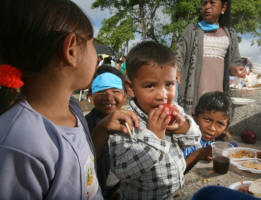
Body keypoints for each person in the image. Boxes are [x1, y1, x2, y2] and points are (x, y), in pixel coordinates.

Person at [0, 0, 138, 199]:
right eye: (92, 43)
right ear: (71, 50)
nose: (95, 53)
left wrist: (101, 129)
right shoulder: (20, 141)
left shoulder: (71, 108)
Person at [108, 41, 202, 199]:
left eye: (169, 84)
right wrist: (154, 137)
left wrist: (184, 127)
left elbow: (195, 140)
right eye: (151, 85)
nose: (162, 95)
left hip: (175, 193)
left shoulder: (176, 110)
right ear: (131, 88)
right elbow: (122, 170)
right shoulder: (126, 122)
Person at [176, 0, 246, 114]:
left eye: (212, 3)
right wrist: (176, 69)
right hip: (195, 91)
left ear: (223, 7)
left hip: (217, 88)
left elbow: (235, 60)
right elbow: (179, 54)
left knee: (213, 117)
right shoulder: (192, 30)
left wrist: (236, 69)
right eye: (204, 3)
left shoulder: (230, 33)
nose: (207, 7)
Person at [85, 66, 126, 199]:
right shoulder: (84, 126)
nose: (109, 97)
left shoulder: (130, 123)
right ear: (90, 97)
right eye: (102, 91)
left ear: (124, 96)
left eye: (115, 90)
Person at [183, 91, 233, 172]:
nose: (212, 128)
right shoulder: (184, 138)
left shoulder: (211, 142)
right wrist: (198, 154)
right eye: (207, 119)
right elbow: (175, 171)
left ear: (226, 128)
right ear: (196, 117)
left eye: (220, 123)